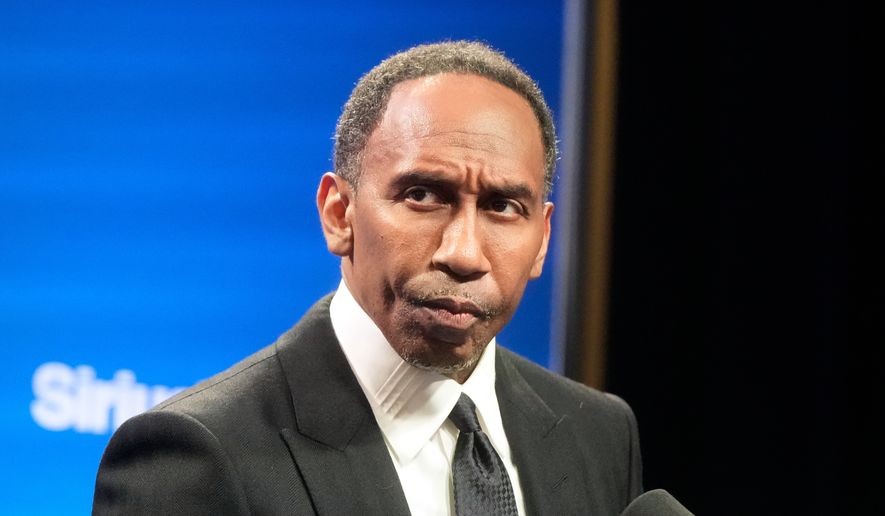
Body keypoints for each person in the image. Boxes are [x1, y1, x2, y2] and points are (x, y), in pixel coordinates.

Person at [92, 41, 642, 515]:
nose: (465, 254)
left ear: (543, 239)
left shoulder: (599, 433)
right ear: (339, 213)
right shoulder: (195, 455)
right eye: (423, 195)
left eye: (502, 206)